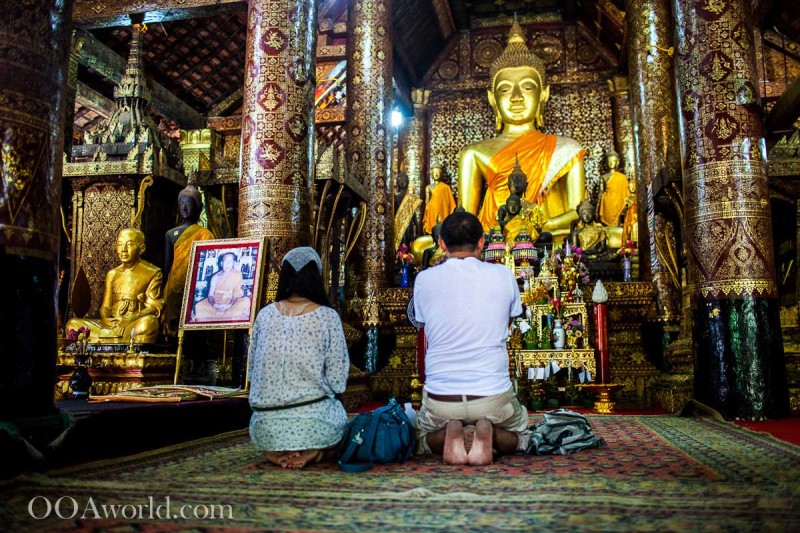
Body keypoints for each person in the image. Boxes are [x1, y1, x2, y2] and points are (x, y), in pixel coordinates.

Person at [413, 211, 530, 466]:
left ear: (441, 243)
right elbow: (506, 323)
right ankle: (487, 432)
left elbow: (422, 322)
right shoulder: (503, 275)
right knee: (522, 436)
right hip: (492, 394)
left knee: (420, 438)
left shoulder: (424, 279)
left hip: (441, 397)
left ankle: (450, 434)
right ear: (482, 242)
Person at [457, 20, 585, 238]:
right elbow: (465, 220)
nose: (516, 97)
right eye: (505, 89)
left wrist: (543, 225)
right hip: (493, 236)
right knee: (422, 246)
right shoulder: (474, 153)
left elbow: (580, 213)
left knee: (606, 236)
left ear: (544, 94)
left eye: (527, 87)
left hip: (548, 235)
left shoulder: (566, 149)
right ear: (492, 98)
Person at [248, 247, 349, 469]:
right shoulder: (327, 316)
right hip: (316, 425)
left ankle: (273, 452)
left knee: (274, 425)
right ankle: (315, 451)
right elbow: (338, 381)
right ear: (316, 278)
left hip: (264, 427)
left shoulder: (264, 315)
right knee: (342, 422)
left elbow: (252, 372)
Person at [66, 228, 164, 343]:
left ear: (141, 249)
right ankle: (120, 340)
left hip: (133, 323)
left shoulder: (152, 272)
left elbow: (154, 307)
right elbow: (106, 306)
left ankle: (107, 340)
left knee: (150, 323)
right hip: (111, 325)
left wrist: (130, 319)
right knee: (72, 325)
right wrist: (106, 319)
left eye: (130, 245)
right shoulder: (112, 274)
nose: (123, 250)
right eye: (120, 245)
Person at [162, 177, 214, 337]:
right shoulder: (171, 234)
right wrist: (163, 288)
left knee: (193, 325)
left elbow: (209, 264)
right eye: (181, 204)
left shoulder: (205, 234)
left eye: (189, 204)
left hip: (195, 285)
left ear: (200, 207)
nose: (184, 207)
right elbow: (167, 263)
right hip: (174, 286)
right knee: (173, 325)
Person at [193, 251, 251, 321]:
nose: (228, 264)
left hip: (231, 300)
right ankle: (226, 316)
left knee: (246, 302)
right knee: (199, 306)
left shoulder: (237, 274)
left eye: (230, 261)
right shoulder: (215, 277)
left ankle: (220, 315)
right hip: (216, 300)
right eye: (225, 261)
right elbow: (210, 295)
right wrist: (214, 304)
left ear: (234, 263)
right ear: (221, 263)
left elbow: (236, 292)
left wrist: (230, 305)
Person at [422, 165, 456, 234]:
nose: (436, 174)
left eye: (438, 172)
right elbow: (427, 201)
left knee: (442, 226)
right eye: (434, 172)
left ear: (441, 174)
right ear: (432, 174)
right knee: (432, 227)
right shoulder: (428, 187)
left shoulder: (445, 187)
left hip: (442, 210)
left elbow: (450, 203)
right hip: (432, 210)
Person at [597, 151, 628, 227]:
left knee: (617, 223)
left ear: (617, 162)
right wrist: (598, 204)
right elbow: (601, 192)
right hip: (607, 203)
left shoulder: (622, 177)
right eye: (609, 161)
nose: (611, 163)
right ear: (606, 163)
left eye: (613, 161)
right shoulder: (603, 177)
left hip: (618, 202)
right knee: (606, 227)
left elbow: (626, 192)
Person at [394, 172, 422, 250]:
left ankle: (407, 259)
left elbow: (413, 213)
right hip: (398, 223)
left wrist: (417, 226)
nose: (402, 181)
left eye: (404, 179)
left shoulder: (411, 198)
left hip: (408, 223)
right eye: (400, 179)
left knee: (407, 241)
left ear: (408, 182)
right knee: (399, 243)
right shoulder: (395, 197)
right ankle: (399, 258)